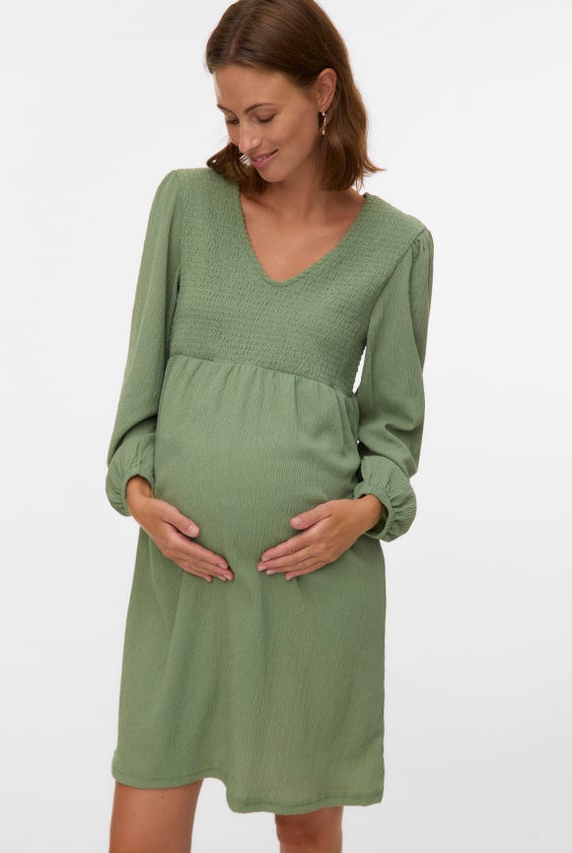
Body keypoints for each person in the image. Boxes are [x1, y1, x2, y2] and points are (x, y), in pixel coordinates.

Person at [105, 0, 434, 850]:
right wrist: (139, 498)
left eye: (262, 114)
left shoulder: (396, 246)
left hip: (307, 590)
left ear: (323, 92)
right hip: (184, 584)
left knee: (308, 835)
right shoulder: (186, 204)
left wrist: (361, 513)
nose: (245, 139)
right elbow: (138, 395)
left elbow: (394, 431)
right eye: (228, 117)